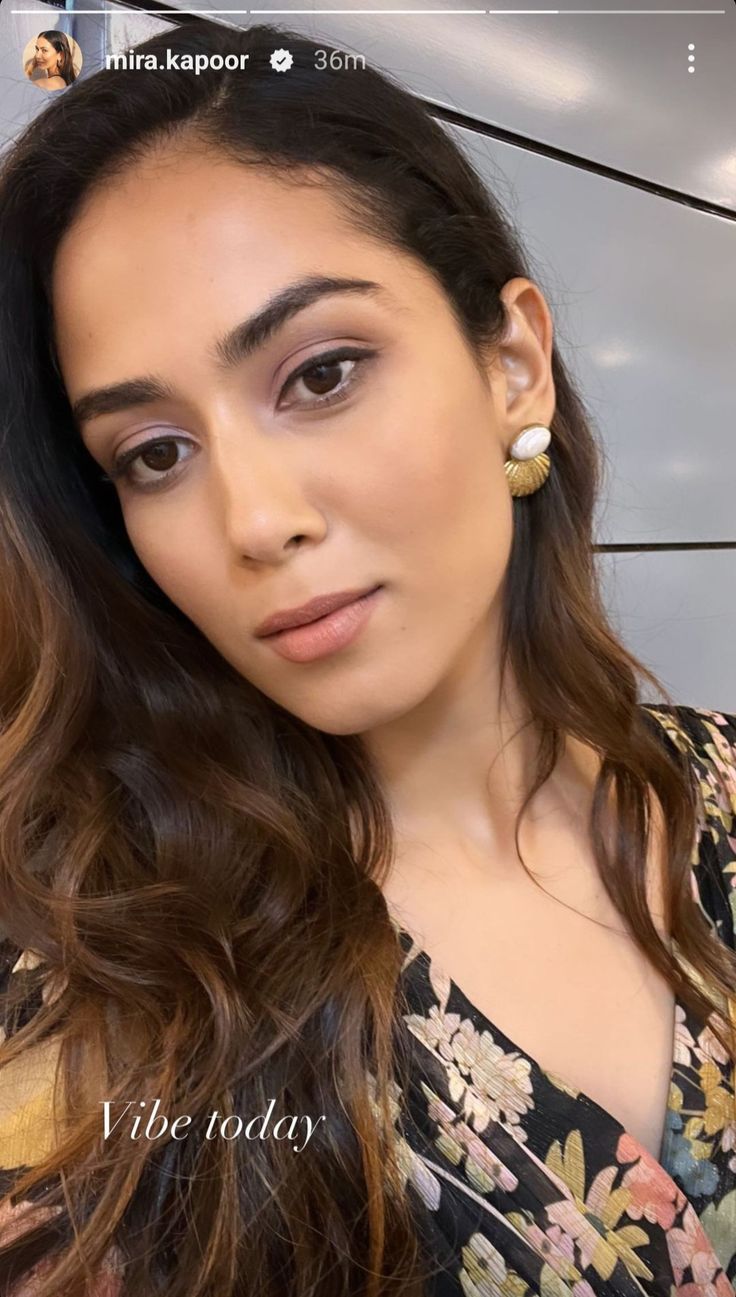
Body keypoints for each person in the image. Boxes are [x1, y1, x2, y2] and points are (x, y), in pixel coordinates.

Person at [0, 17, 734, 1297]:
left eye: (321, 372)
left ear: (514, 362)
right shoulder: (107, 987)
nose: (253, 519)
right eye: (154, 454)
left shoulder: (720, 786)